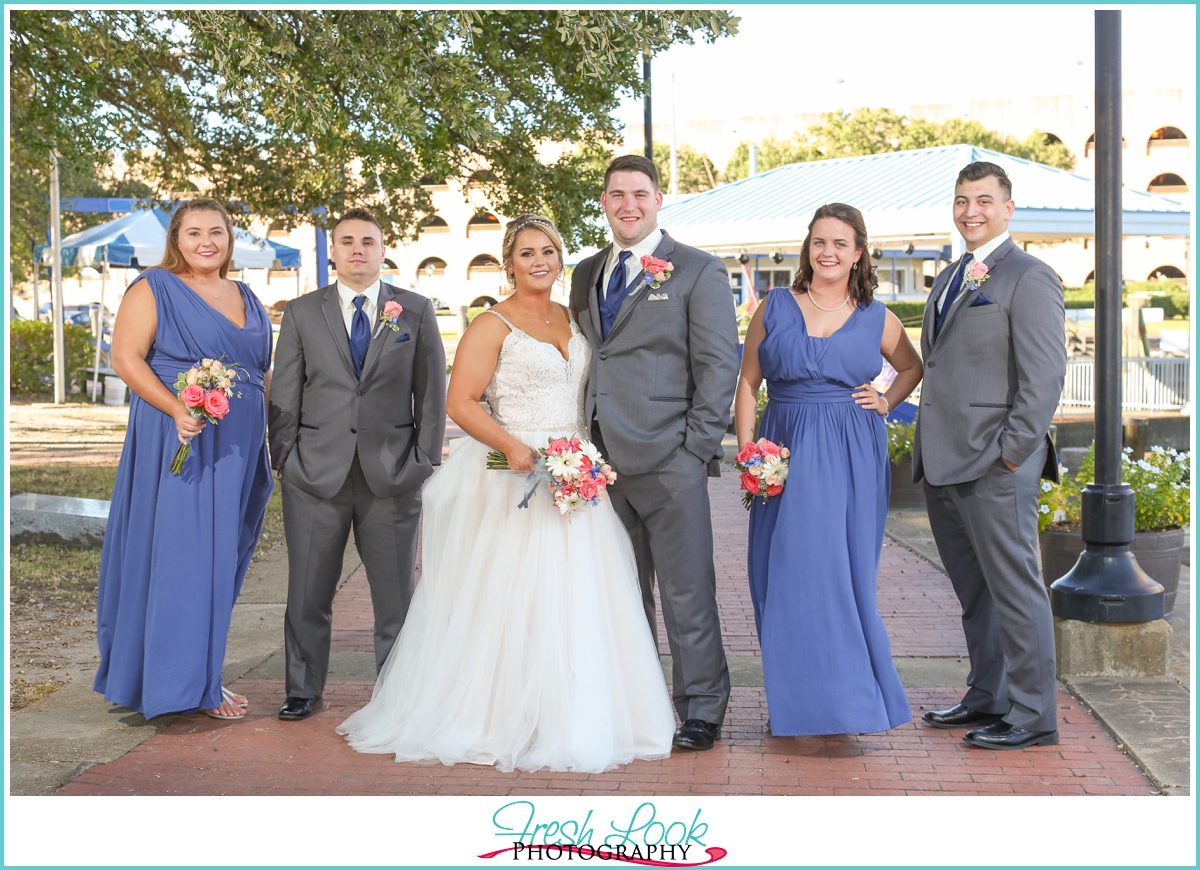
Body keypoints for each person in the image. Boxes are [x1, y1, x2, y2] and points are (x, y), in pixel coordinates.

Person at [337, 214, 675, 772]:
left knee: (578, 599)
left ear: (560, 257)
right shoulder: (491, 324)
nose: (539, 260)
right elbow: (461, 401)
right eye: (526, 253)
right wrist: (515, 447)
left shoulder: (575, 318)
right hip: (512, 474)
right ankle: (494, 716)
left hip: (574, 472)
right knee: (513, 598)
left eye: (548, 250)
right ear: (508, 262)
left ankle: (567, 713)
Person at [569, 156, 739, 752]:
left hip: (671, 459)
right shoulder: (586, 271)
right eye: (616, 194)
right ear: (605, 201)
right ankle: (638, 701)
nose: (628, 205)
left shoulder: (697, 271)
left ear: (659, 198)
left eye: (639, 193)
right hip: (601, 461)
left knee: (686, 589)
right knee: (622, 590)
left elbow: (719, 366)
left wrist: (694, 447)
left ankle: (701, 708)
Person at [734, 203, 922, 737]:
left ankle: (848, 703)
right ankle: (797, 699)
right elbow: (748, 384)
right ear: (807, 249)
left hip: (851, 451)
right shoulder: (774, 307)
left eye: (840, 243)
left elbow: (912, 366)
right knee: (784, 571)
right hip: (784, 449)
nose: (828, 252)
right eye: (819, 242)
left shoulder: (877, 317)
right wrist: (750, 451)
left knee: (842, 575)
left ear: (858, 252)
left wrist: (885, 400)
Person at [94, 199, 274, 721]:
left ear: (229, 239)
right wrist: (177, 408)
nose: (205, 242)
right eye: (193, 233)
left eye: (216, 232)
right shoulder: (154, 287)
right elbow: (125, 358)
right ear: (177, 240)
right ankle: (178, 684)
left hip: (240, 444)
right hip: (182, 436)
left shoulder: (246, 294)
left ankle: (201, 676)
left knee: (223, 557)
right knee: (183, 556)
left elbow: (262, 370)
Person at [268, 207, 446, 722]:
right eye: (346, 241)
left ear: (383, 248)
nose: (357, 250)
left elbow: (431, 393)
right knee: (307, 593)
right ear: (332, 251)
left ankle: (397, 690)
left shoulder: (414, 309)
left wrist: (421, 462)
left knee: (395, 601)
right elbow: (285, 393)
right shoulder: (302, 312)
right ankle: (303, 689)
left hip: (390, 476)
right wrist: (287, 461)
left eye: (367, 240)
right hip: (314, 476)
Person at [915, 162, 1066, 750]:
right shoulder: (952, 274)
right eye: (960, 200)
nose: (970, 210)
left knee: (1016, 589)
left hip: (995, 465)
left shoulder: (1030, 276)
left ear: (1007, 207)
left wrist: (1010, 455)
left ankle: (1033, 715)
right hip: (943, 461)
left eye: (983, 199)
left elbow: (1044, 378)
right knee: (975, 591)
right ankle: (987, 695)